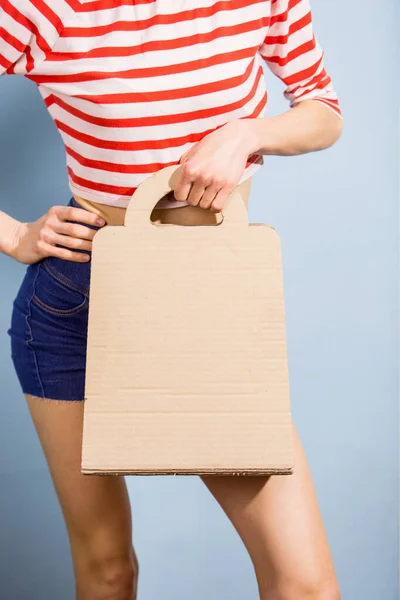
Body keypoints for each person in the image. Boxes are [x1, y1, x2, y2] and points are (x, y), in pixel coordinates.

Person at [0, 1, 343, 599]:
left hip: (204, 307)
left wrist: (247, 133)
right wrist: (14, 237)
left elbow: (323, 110)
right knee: (107, 569)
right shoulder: (40, 11)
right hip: (75, 302)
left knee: (304, 585)